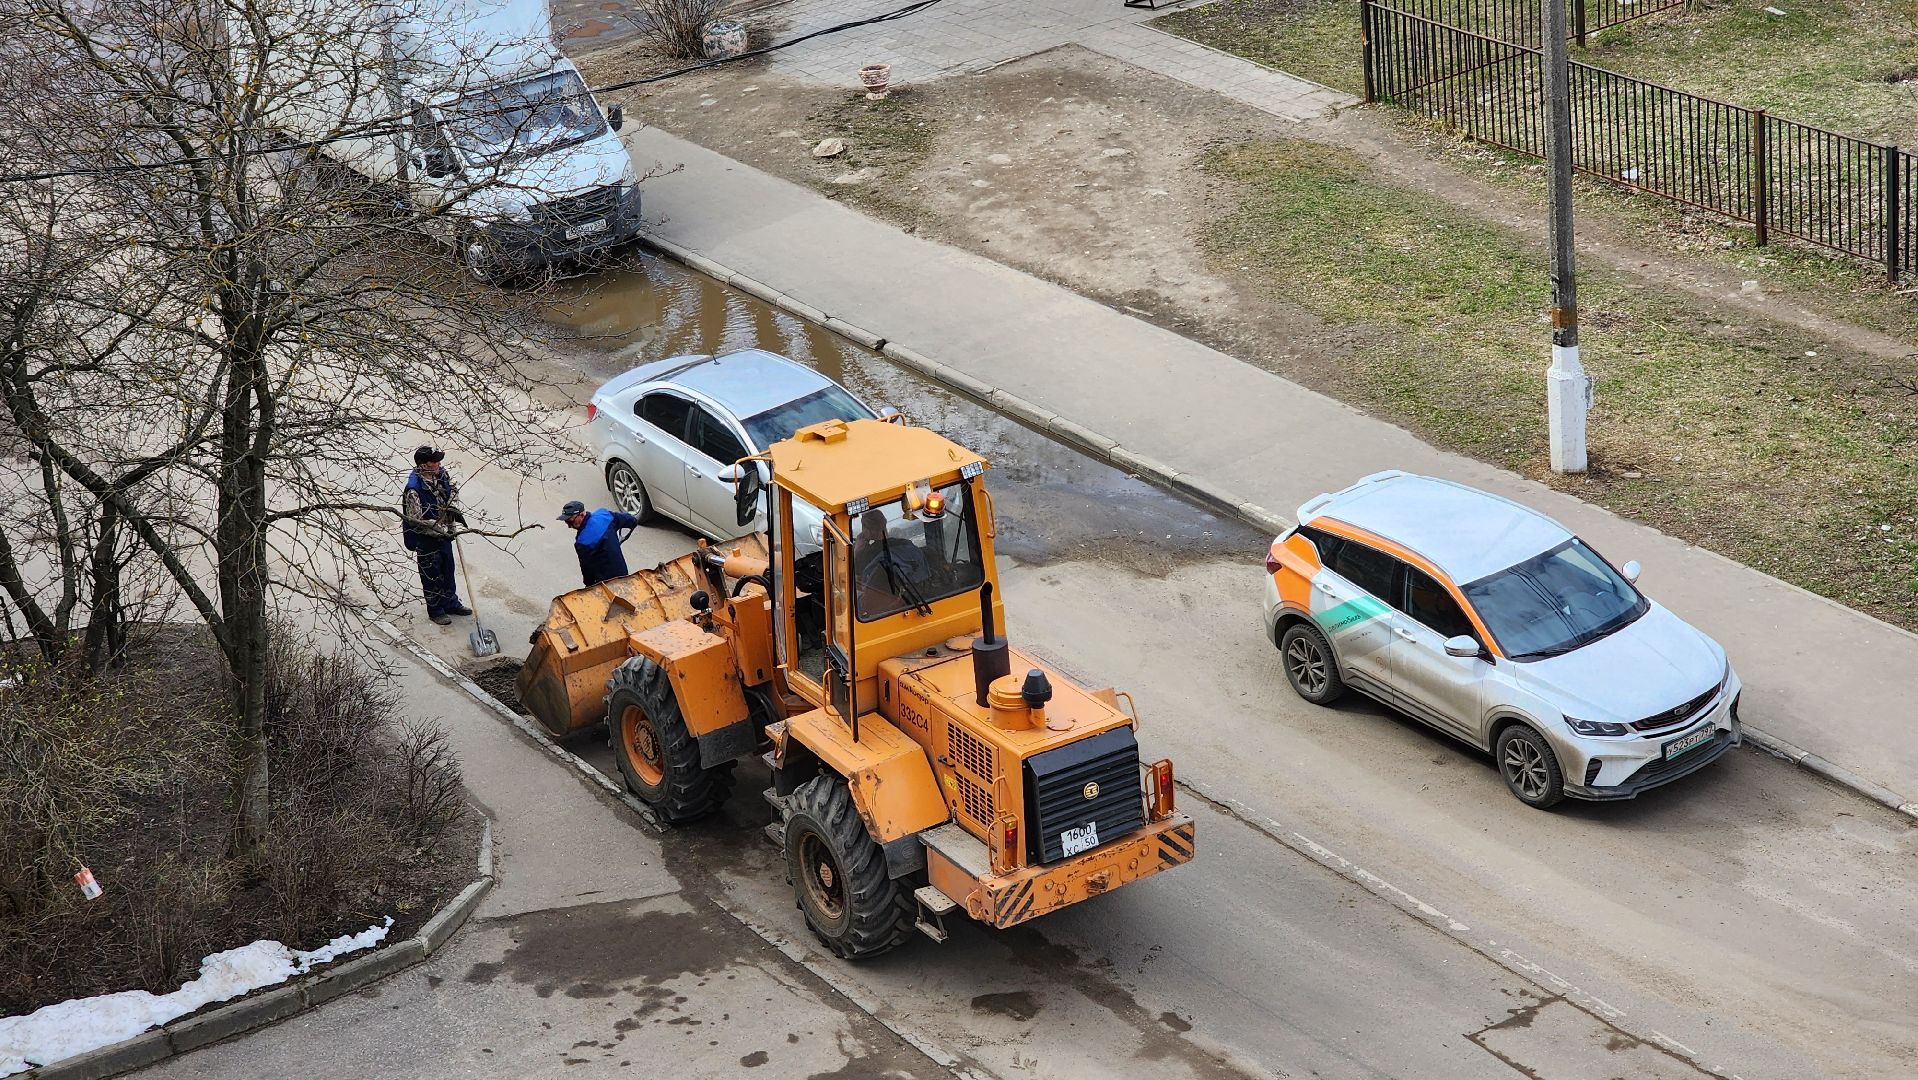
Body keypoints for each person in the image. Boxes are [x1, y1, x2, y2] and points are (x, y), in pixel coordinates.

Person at [401, 446, 470, 625]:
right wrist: (437, 526)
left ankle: (450, 603)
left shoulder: (441, 475)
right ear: (423, 465)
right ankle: (436, 610)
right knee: (432, 575)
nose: (439, 464)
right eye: (434, 462)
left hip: (444, 535)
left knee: (448, 570)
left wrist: (453, 506)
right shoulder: (414, 489)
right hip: (427, 539)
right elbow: (416, 520)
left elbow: (453, 489)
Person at [853, 508, 929, 613]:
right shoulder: (905, 544)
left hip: (883, 603)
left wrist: (857, 551)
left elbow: (855, 580)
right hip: (916, 597)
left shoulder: (865, 555)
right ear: (885, 525)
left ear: (866, 530)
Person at [560, 500, 640, 587]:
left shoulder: (583, 542)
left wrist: (589, 585)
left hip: (606, 582)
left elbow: (587, 569)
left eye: (570, 522)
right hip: (622, 572)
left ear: (582, 515)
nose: (569, 526)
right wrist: (633, 522)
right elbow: (627, 519)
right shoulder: (604, 515)